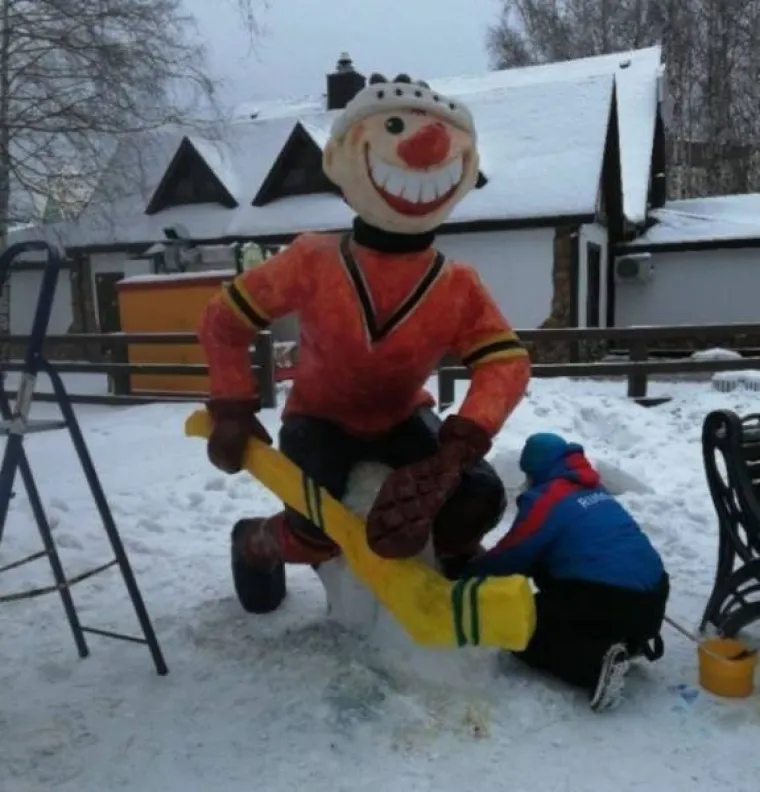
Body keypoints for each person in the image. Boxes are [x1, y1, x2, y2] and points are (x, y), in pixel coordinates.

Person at [197, 72, 531, 615]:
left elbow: (505, 360)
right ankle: (256, 542)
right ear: (337, 161)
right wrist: (232, 406)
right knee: (317, 527)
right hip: (318, 418)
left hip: (404, 418)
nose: (427, 148)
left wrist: (465, 436)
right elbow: (223, 319)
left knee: (476, 497)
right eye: (395, 127)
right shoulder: (313, 260)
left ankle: (446, 568)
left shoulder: (457, 285)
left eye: (446, 139)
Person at [462, 432, 669, 713]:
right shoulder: (594, 489)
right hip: (652, 599)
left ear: (536, 470)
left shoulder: (546, 499)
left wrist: (467, 574)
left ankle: (595, 666)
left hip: (609, 599)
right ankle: (624, 642)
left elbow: (513, 555)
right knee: (554, 564)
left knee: (520, 628)